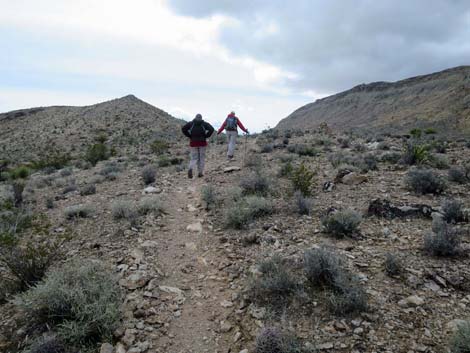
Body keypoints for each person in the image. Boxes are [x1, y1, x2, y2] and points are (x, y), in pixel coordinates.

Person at [182, 114, 215, 178]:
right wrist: (206, 136)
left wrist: (189, 136)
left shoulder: (191, 124)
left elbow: (183, 129)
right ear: (201, 118)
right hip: (202, 143)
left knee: (194, 158)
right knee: (201, 158)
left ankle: (190, 168)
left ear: (195, 117)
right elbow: (211, 129)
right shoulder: (204, 124)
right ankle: (200, 172)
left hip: (193, 143)